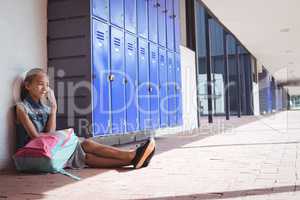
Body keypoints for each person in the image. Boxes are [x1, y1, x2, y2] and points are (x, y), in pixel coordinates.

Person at [15, 68, 155, 169]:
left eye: (47, 84)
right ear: (27, 85)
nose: (45, 88)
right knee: (83, 156)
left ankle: (132, 157)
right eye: (40, 84)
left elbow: (49, 133)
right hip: (32, 154)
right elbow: (36, 137)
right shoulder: (21, 107)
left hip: (46, 148)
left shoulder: (45, 107)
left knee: (85, 146)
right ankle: (132, 156)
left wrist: (53, 109)